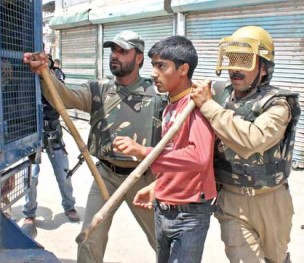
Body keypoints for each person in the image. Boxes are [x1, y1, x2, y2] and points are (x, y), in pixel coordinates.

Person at [23, 30, 165, 262]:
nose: (115, 56)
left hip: (143, 178)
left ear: (139, 58)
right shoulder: (98, 89)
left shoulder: (157, 94)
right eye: (113, 50)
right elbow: (64, 97)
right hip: (105, 177)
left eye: (122, 51)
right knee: (89, 238)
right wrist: (44, 72)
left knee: (162, 240)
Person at [190, 26, 300, 263]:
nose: (235, 68)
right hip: (232, 201)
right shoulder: (218, 95)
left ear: (262, 67)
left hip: (272, 200)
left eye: (244, 60)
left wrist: (209, 107)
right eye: (232, 59)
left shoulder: (278, 104)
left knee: (277, 259)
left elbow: (253, 140)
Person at [113, 35, 217, 263]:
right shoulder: (171, 104)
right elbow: (174, 151)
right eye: (153, 66)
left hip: (189, 213)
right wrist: (158, 185)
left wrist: (143, 152)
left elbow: (198, 157)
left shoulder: (195, 106)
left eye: (162, 66)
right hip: (164, 207)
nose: (153, 73)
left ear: (183, 69)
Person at [21, 54, 79, 239]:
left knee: (63, 173)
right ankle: (29, 213)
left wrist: (49, 68)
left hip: (53, 131)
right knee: (31, 176)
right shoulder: (25, 76)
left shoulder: (55, 73)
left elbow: (60, 91)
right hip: (32, 132)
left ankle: (69, 206)